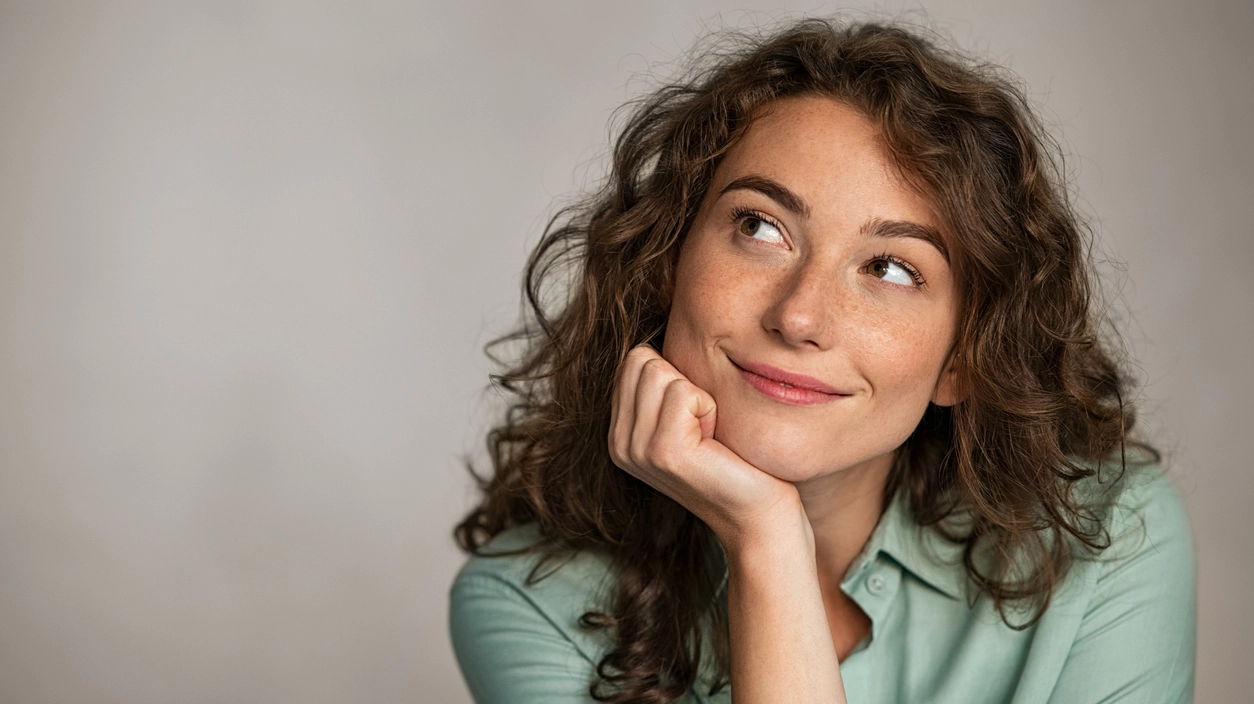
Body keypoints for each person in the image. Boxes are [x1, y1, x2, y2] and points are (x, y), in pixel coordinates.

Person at [448, 18, 1195, 704]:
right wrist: (767, 538)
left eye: (891, 270)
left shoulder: (1112, 537)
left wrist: (762, 541)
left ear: (963, 361)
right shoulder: (526, 600)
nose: (800, 316)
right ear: (663, 263)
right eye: (759, 226)